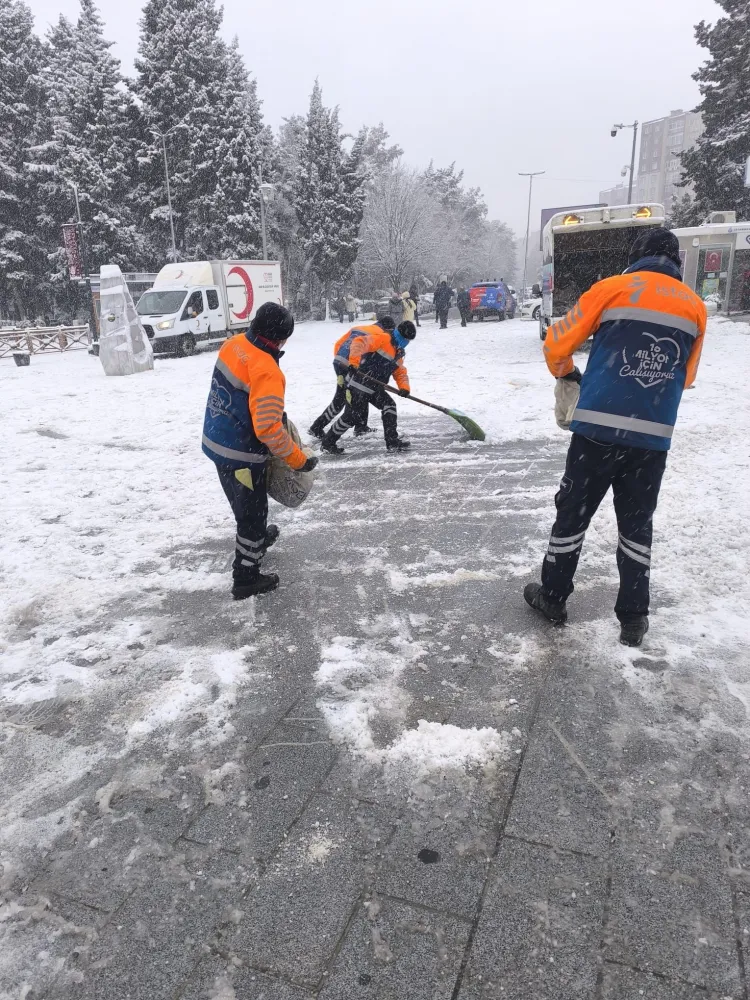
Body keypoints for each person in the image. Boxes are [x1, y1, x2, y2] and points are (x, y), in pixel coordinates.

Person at [523, 228, 707, 646]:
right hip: (653, 439)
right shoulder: (695, 306)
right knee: (637, 525)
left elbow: (557, 343)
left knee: (573, 514)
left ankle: (553, 598)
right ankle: (633, 619)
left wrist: (567, 373)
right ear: (676, 261)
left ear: (636, 256)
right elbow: (688, 376)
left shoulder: (613, 288)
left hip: (598, 431)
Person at [202, 302, 319, 599]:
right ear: (280, 339)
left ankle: (254, 542)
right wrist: (298, 459)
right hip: (240, 454)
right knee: (251, 515)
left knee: (248, 507)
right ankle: (246, 577)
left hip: (218, 437)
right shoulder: (266, 370)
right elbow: (267, 429)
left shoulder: (235, 344)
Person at [321, 320, 416, 455]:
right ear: (398, 334)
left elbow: (400, 372)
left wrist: (404, 388)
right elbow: (359, 342)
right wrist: (353, 363)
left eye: (408, 340)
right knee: (351, 416)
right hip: (358, 383)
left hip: (374, 388)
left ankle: (392, 442)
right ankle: (328, 442)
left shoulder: (399, 352)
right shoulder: (384, 338)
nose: (406, 342)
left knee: (389, 406)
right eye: (404, 338)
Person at [308, 317, 397, 440]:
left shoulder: (360, 328)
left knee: (360, 393)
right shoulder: (382, 334)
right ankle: (317, 427)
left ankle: (361, 426)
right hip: (352, 364)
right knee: (343, 399)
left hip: (340, 362)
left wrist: (340, 361)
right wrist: (355, 365)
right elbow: (367, 350)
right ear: (389, 329)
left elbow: (339, 343)